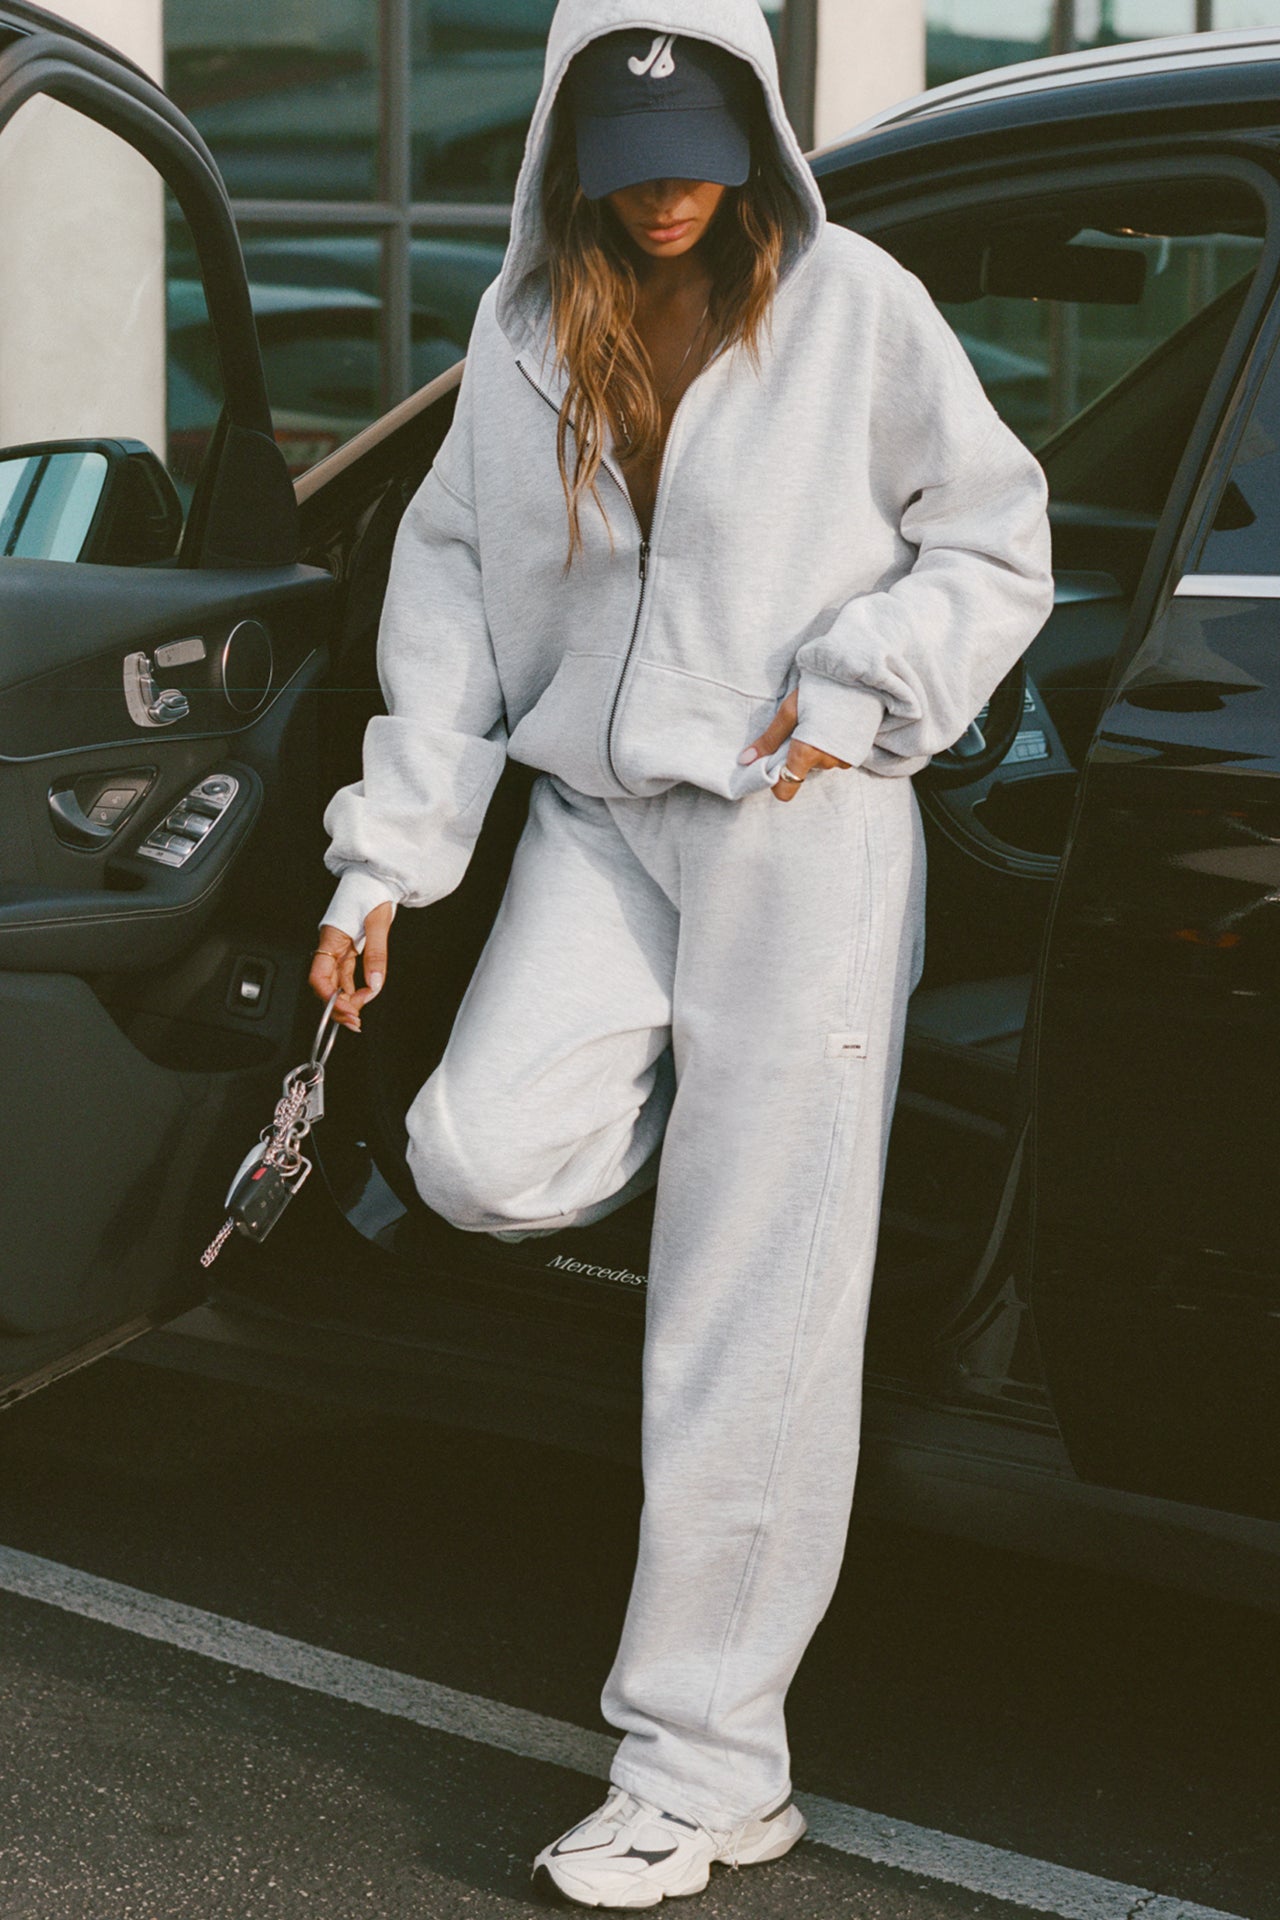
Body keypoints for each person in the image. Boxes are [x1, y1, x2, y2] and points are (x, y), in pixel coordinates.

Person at [309, 0, 1054, 1906]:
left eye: (700, 168)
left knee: (750, 1309)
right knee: (478, 1153)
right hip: (600, 812)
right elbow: (454, 580)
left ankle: (707, 1768)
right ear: (574, 157)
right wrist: (381, 866)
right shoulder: (521, 329)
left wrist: (862, 685)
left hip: (800, 822)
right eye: (629, 177)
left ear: (759, 143)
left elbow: (994, 539)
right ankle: (755, 1207)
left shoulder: (855, 305)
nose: (668, 209)